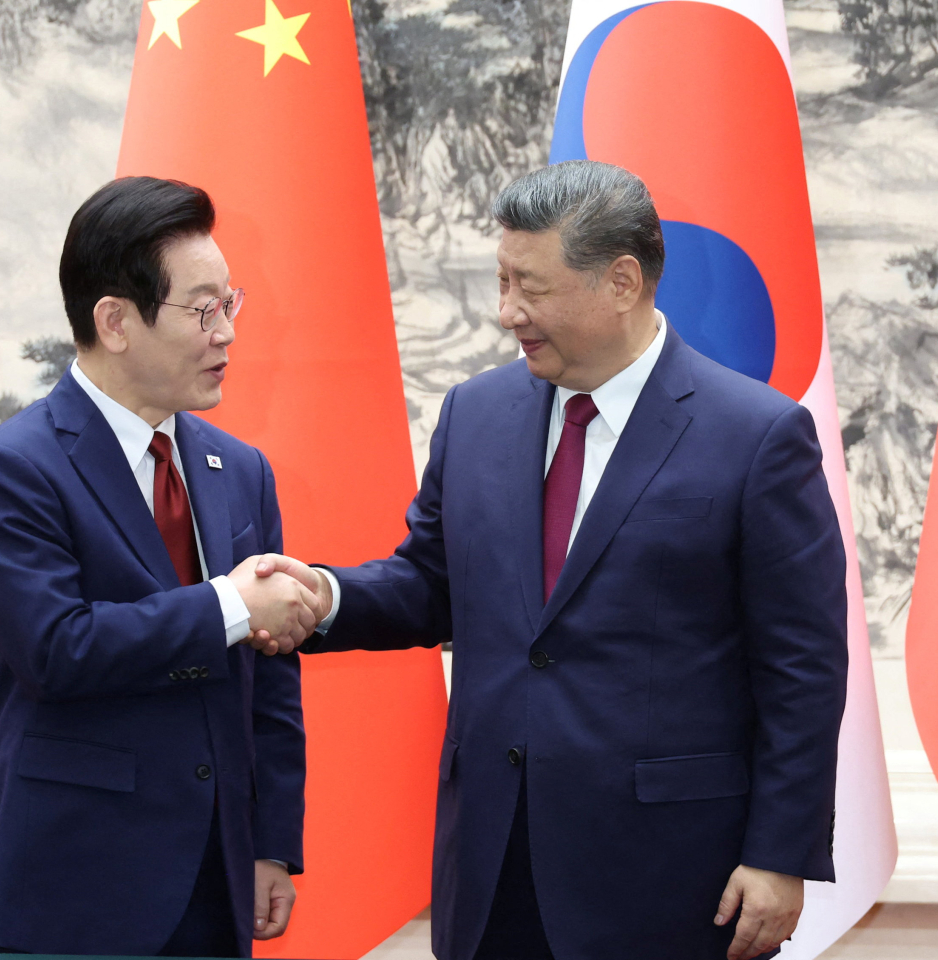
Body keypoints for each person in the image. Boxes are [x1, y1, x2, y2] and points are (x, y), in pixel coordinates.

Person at [257, 160, 848, 960]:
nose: (507, 313)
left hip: (670, 876)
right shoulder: (476, 413)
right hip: (494, 864)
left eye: (529, 287)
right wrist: (324, 596)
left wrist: (780, 853)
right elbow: (431, 584)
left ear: (623, 281)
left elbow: (803, 669)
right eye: (501, 281)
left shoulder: (756, 436)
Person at [0, 176, 317, 957]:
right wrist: (228, 605)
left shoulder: (240, 470)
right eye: (202, 309)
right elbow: (57, 650)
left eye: (230, 304)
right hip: (70, 886)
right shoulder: (11, 470)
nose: (227, 334)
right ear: (114, 321)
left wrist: (269, 842)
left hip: (214, 890)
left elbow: (272, 676)